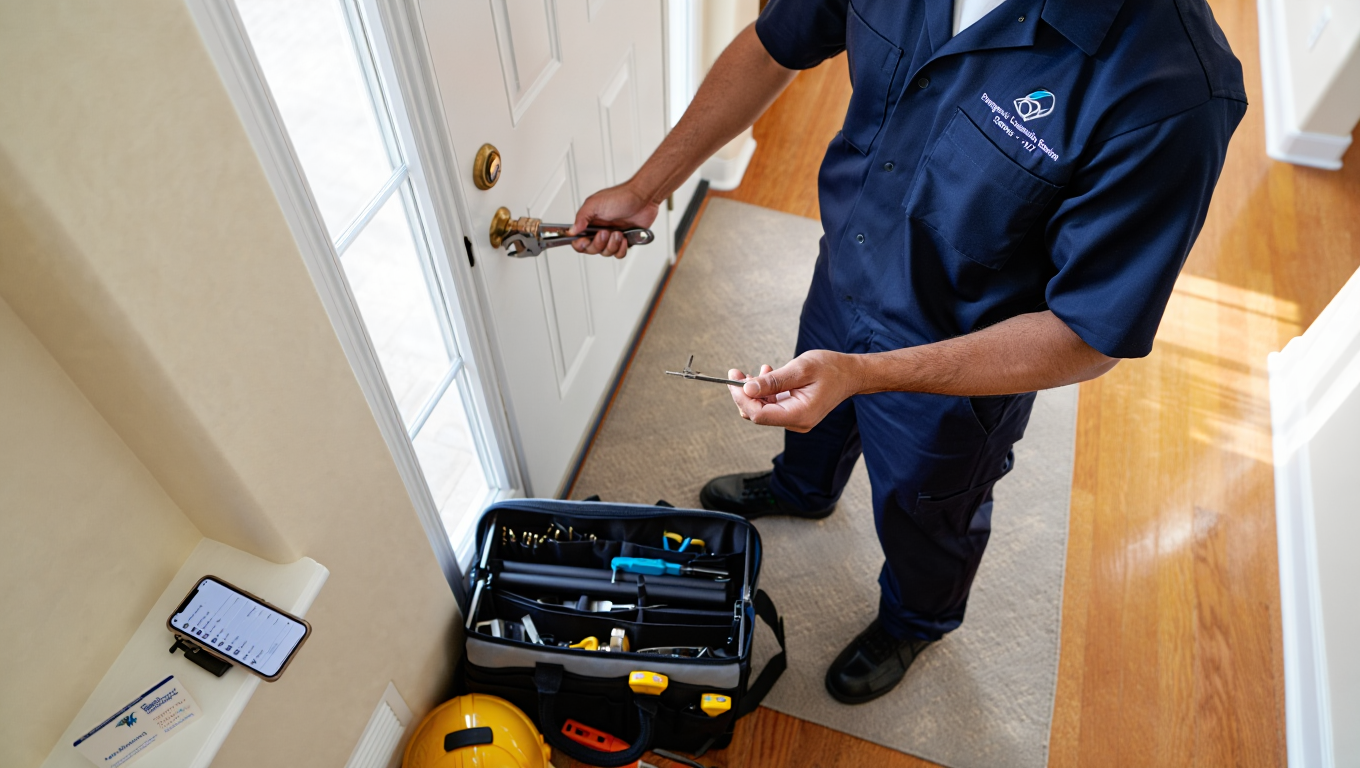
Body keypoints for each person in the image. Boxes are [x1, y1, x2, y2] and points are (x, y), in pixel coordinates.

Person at [569, 0, 1246, 704]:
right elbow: (775, 45)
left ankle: (916, 620)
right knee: (814, 411)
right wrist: (647, 188)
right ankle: (804, 489)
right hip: (848, 269)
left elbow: (1085, 333)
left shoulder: (1173, 93)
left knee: (927, 513)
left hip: (965, 363)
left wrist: (867, 375)